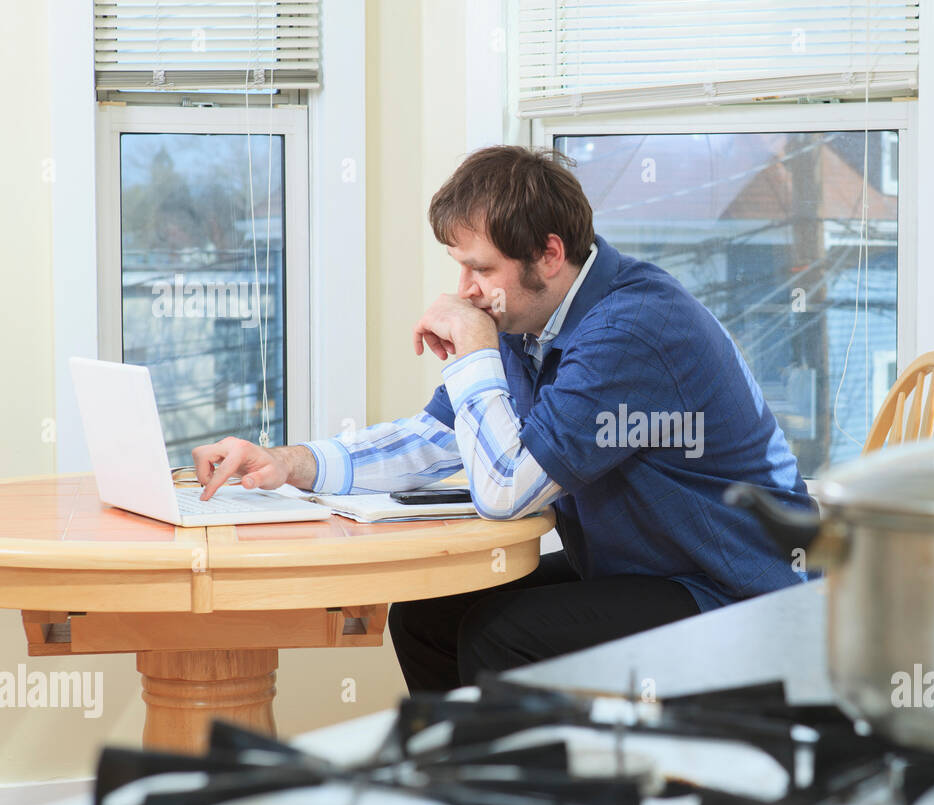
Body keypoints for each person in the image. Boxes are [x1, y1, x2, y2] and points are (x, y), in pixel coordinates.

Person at [191, 145, 816, 693]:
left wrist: (474, 355)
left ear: (548, 255)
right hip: (649, 567)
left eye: (481, 269)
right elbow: (435, 440)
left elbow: (506, 491)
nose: (464, 290)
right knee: (427, 615)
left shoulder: (631, 331)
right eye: (458, 265)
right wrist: (290, 463)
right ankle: (465, 799)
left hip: (738, 592)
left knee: (504, 635)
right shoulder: (529, 320)